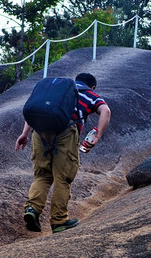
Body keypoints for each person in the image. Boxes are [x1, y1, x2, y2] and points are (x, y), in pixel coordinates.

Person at [15, 73, 111, 233]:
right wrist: (98, 135)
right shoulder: (90, 94)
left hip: (39, 131)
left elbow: (36, 110)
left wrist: (24, 134)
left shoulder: (59, 91)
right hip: (66, 132)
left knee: (42, 175)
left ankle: (32, 209)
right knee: (63, 177)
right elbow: (105, 111)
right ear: (92, 86)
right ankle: (59, 220)